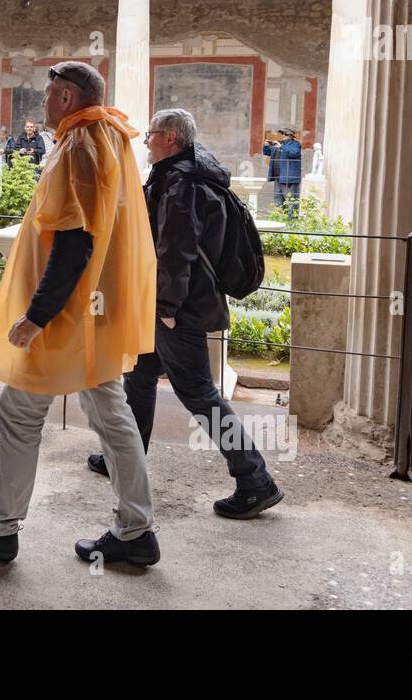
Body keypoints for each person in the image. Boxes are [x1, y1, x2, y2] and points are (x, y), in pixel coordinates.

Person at [0, 61, 160, 567]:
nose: (41, 102)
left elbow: (74, 241)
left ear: (67, 97)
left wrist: (37, 314)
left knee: (21, 412)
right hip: (96, 308)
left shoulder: (79, 145)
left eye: (49, 93)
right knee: (111, 416)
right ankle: (136, 529)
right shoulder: (110, 135)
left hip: (68, 314)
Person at [89, 109, 283, 519]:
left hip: (179, 309)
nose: (146, 142)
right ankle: (125, 457)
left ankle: (255, 480)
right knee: (139, 376)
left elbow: (176, 251)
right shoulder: (184, 173)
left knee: (200, 395)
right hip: (172, 304)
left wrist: (168, 308)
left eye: (152, 135)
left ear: (172, 138)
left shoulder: (183, 183)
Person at [263, 128, 302, 217]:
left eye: (284, 134)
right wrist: (266, 146)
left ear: (290, 136)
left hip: (288, 178)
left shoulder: (295, 144)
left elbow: (294, 153)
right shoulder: (280, 144)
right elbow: (267, 152)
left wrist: (281, 146)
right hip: (278, 177)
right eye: (282, 134)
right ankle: (280, 221)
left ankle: (291, 225)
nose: (282, 136)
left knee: (290, 203)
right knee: (278, 202)